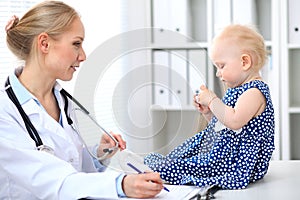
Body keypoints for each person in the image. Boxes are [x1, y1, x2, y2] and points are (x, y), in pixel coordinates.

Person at [0, 1, 163, 199]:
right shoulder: (5, 111)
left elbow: (73, 167)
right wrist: (120, 184)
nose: (83, 56)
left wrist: (99, 154)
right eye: (76, 44)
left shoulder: (61, 101)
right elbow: (53, 181)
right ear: (44, 44)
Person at [144, 24, 275, 190]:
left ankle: (161, 171)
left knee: (194, 166)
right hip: (224, 151)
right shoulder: (239, 89)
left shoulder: (254, 92)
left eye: (221, 66)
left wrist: (213, 100)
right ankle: (164, 167)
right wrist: (209, 113)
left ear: (244, 62)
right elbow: (224, 125)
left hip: (234, 160)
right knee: (186, 157)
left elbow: (234, 121)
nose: (218, 73)